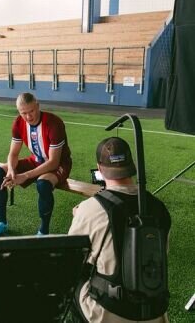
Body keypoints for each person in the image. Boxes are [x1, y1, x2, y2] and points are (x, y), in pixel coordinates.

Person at [68, 137, 171, 323]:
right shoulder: (160, 208)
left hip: (111, 311)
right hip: (156, 311)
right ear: (131, 166)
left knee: (73, 282)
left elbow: (72, 259)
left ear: (99, 169)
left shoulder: (91, 208)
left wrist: (81, 216)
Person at [0, 92, 72, 238]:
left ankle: (43, 232)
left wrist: (25, 176)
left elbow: (53, 162)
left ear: (37, 106)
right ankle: (1, 223)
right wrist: (11, 170)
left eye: (31, 111)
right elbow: (13, 154)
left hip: (58, 165)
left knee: (43, 184)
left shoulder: (54, 123)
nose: (28, 116)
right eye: (23, 113)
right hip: (36, 160)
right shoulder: (18, 122)